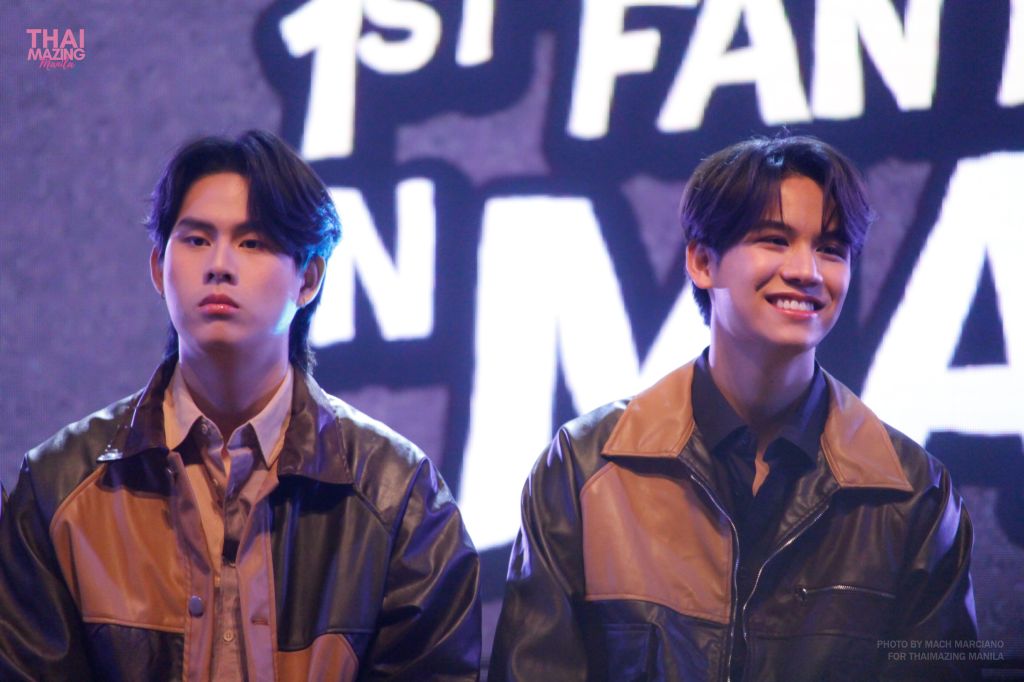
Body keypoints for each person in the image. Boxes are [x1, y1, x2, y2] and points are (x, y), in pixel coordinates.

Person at [488, 135, 977, 681]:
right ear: (702, 262)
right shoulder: (585, 467)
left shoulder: (914, 493)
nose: (807, 270)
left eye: (831, 249)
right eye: (775, 240)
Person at [0, 130, 481, 681]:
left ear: (309, 278)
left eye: (252, 243)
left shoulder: (400, 497)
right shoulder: (60, 486)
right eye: (196, 240)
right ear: (158, 268)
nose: (219, 265)